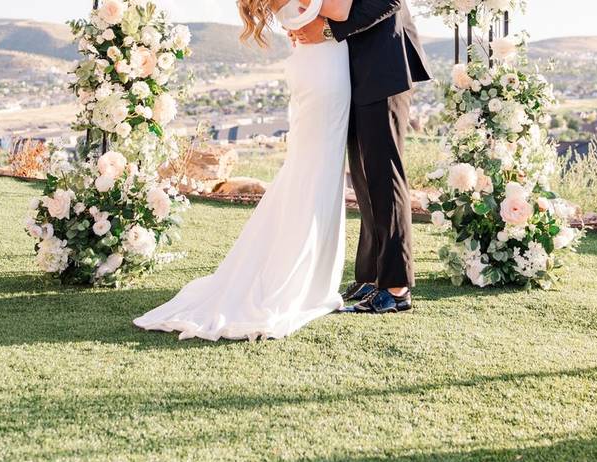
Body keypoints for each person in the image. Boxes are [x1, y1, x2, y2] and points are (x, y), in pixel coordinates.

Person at [134, 0, 353, 340]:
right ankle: (301, 279)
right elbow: (341, 11)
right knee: (315, 173)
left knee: (310, 172)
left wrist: (321, 27)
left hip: (315, 67)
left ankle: (309, 276)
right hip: (324, 71)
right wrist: (326, 27)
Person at [289, 0, 431, 314]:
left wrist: (328, 29)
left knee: (384, 175)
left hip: (384, 65)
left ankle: (396, 287)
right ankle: (370, 275)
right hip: (351, 71)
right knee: (365, 177)